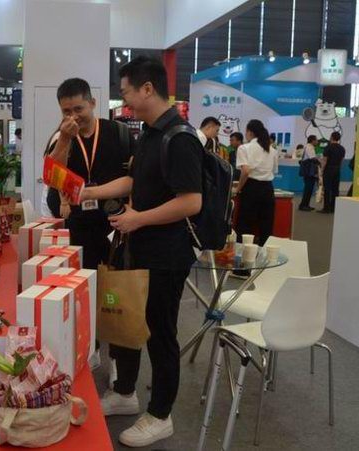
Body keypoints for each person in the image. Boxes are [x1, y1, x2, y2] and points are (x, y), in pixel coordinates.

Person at [80, 56, 203, 448]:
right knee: (128, 322)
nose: (124, 100)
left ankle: (160, 415)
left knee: (160, 334)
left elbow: (191, 202)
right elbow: (134, 180)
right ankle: (125, 392)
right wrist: (89, 192)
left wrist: (139, 219)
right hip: (139, 248)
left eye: (126, 92)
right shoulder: (150, 133)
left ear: (147, 88)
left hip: (167, 254)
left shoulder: (180, 137)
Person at [48, 77, 135, 271]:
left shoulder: (118, 132)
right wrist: (65, 138)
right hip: (73, 225)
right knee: (77, 280)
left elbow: (134, 178)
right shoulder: (60, 136)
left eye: (79, 109)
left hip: (113, 224)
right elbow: (54, 177)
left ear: (92, 103)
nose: (73, 116)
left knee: (113, 281)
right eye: (67, 111)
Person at [235, 119, 278, 247]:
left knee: (245, 225)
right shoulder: (272, 150)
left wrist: (238, 188)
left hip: (251, 188)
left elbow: (246, 171)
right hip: (268, 189)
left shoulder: (244, 148)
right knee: (266, 226)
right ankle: (264, 255)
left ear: (250, 132)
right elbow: (274, 171)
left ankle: (242, 255)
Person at [320, 131, 345, 213]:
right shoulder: (342, 148)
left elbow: (325, 160)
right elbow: (341, 161)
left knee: (327, 188)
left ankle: (326, 208)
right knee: (335, 189)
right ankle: (333, 207)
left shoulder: (328, 147)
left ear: (331, 137)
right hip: (337, 169)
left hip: (329, 169)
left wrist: (322, 170)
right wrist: (338, 169)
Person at [298, 135, 320, 211]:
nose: (317, 142)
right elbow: (313, 158)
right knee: (308, 188)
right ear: (312, 140)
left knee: (309, 188)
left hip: (308, 171)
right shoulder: (309, 147)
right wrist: (320, 162)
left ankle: (306, 204)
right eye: (316, 140)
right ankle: (303, 205)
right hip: (309, 171)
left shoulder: (308, 147)